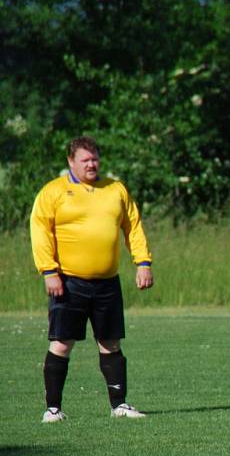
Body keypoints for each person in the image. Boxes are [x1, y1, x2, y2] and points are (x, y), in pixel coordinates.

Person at [30, 136, 153, 423]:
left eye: (95, 159)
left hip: (107, 282)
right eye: (85, 160)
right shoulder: (53, 192)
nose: (92, 164)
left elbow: (133, 226)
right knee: (61, 343)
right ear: (71, 162)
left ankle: (119, 405)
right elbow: (40, 232)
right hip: (68, 281)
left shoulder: (115, 189)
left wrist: (143, 263)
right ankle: (53, 409)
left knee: (110, 343)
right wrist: (49, 271)